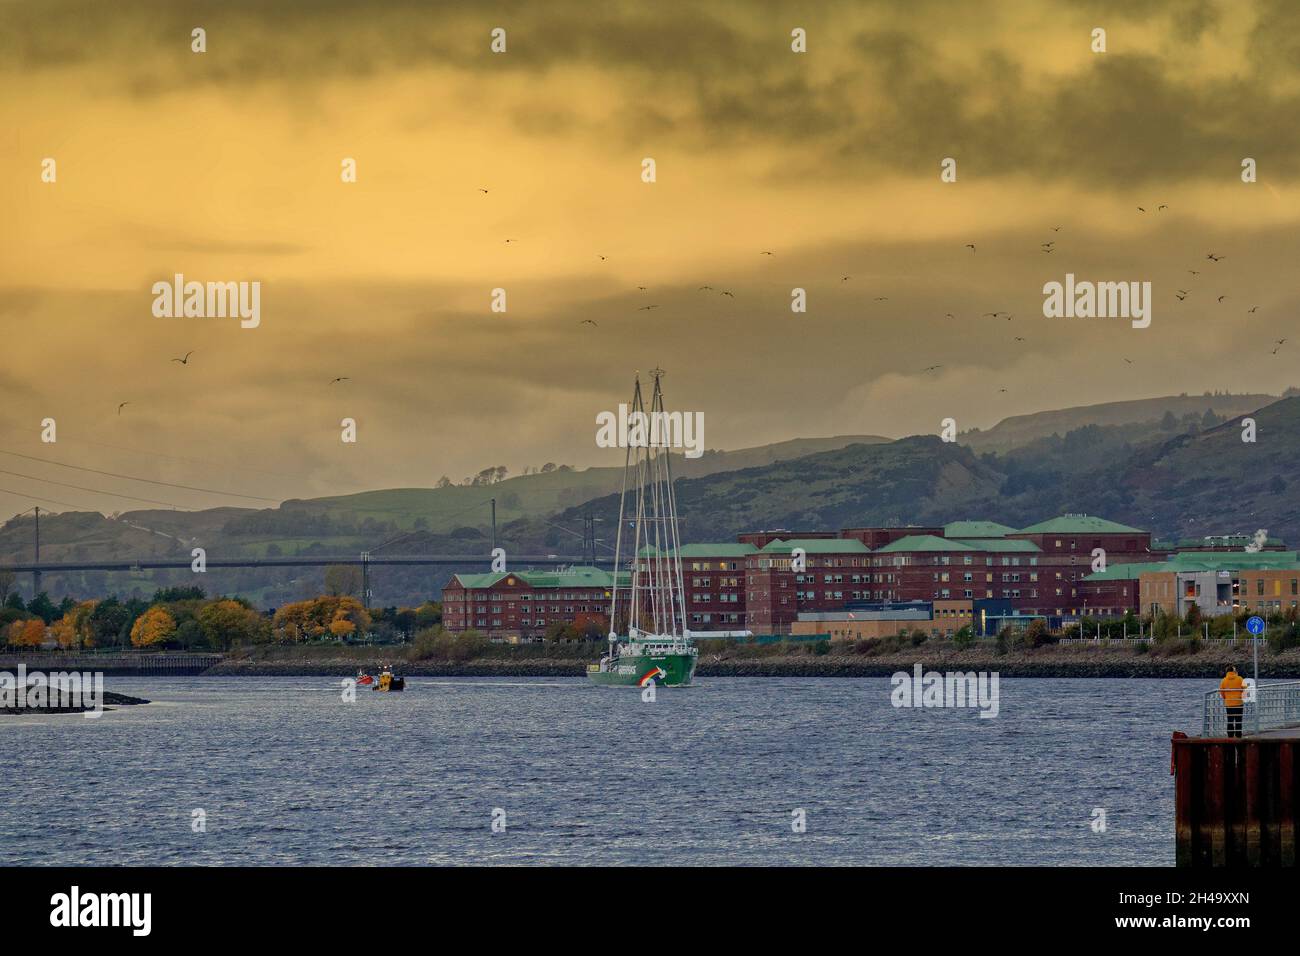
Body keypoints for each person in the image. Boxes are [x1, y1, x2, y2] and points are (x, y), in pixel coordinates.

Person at [1219, 665, 1246, 738]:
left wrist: (1226, 698)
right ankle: (1238, 736)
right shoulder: (1239, 679)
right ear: (1234, 671)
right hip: (1238, 702)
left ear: (1227, 671)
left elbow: (1221, 691)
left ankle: (1230, 736)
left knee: (1230, 720)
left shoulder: (1224, 680)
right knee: (1238, 721)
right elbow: (1245, 688)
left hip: (1229, 703)